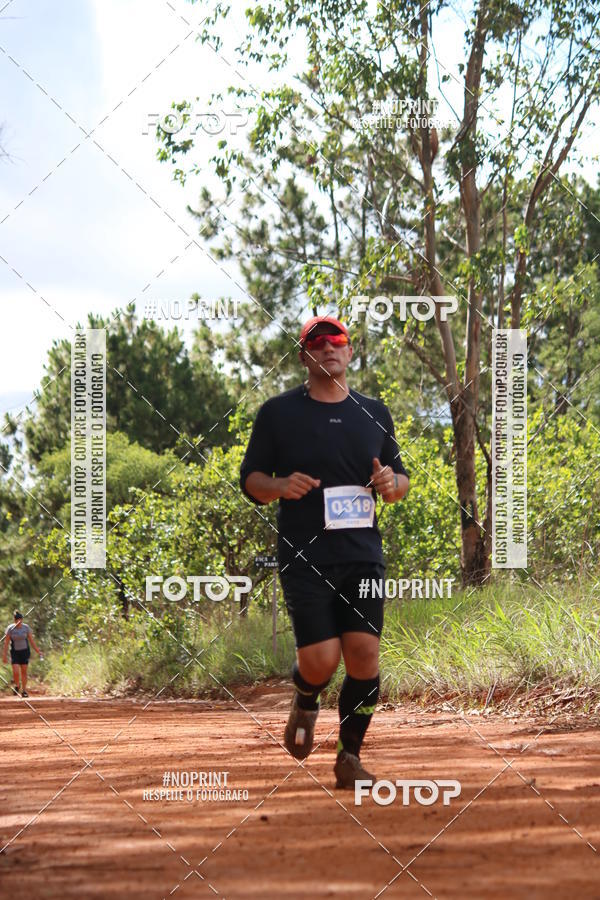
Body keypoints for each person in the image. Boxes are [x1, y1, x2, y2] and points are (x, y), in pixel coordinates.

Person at [240, 315, 409, 788]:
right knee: (321, 660)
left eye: (337, 340)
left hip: (362, 554)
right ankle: (305, 697)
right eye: (317, 341)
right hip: (305, 555)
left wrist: (389, 485)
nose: (328, 347)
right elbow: (251, 479)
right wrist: (279, 485)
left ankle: (348, 757)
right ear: (304, 355)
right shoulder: (278, 413)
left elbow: (400, 481)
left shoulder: (374, 411)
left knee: (363, 655)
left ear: (350, 352)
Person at [2, 610, 42, 697]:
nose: (18, 622)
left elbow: (31, 641)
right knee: (16, 671)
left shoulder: (26, 628)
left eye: (20, 620)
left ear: (22, 620)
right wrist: (4, 656)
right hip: (15, 652)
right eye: (17, 620)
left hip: (24, 652)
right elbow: (6, 643)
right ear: (14, 620)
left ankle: (24, 690)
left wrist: (38, 651)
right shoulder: (10, 629)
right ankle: (17, 685)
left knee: (24, 671)